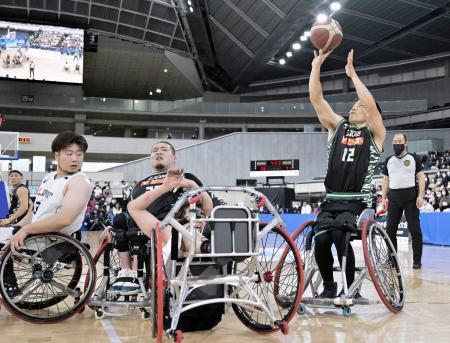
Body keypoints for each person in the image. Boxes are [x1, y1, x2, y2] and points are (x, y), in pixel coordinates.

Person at [309, 49, 386, 298]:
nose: (354, 108)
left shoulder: (375, 135)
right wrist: (316, 66)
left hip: (356, 202)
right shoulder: (337, 127)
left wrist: (353, 76)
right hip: (331, 200)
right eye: (353, 105)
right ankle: (329, 286)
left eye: (359, 106)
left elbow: (371, 105)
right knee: (320, 238)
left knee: (340, 232)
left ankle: (350, 288)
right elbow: (317, 100)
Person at [101, 141, 212, 295]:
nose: (158, 152)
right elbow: (129, 212)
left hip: (179, 224)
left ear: (174, 157)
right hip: (151, 227)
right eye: (155, 150)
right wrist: (110, 228)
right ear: (150, 158)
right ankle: (129, 272)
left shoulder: (188, 177)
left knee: (181, 233)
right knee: (124, 219)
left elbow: (208, 208)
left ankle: (204, 248)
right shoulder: (139, 185)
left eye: (164, 149)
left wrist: (192, 184)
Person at [0, 132, 91, 297]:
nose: (74, 159)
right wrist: (18, 226)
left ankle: (9, 287)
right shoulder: (49, 177)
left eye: (79, 154)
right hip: (37, 235)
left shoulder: (79, 182)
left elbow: (65, 219)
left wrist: (26, 231)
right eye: (69, 154)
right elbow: (35, 210)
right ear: (57, 155)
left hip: (55, 242)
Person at [381, 133, 425, 269]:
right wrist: (383, 197)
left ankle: (417, 261)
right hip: (394, 197)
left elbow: (421, 177)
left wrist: (421, 196)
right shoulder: (389, 160)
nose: (396, 144)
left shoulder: (413, 158)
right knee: (390, 231)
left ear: (405, 143)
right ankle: (392, 260)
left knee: (415, 230)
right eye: (394, 141)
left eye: (399, 141)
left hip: (411, 197)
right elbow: (385, 180)